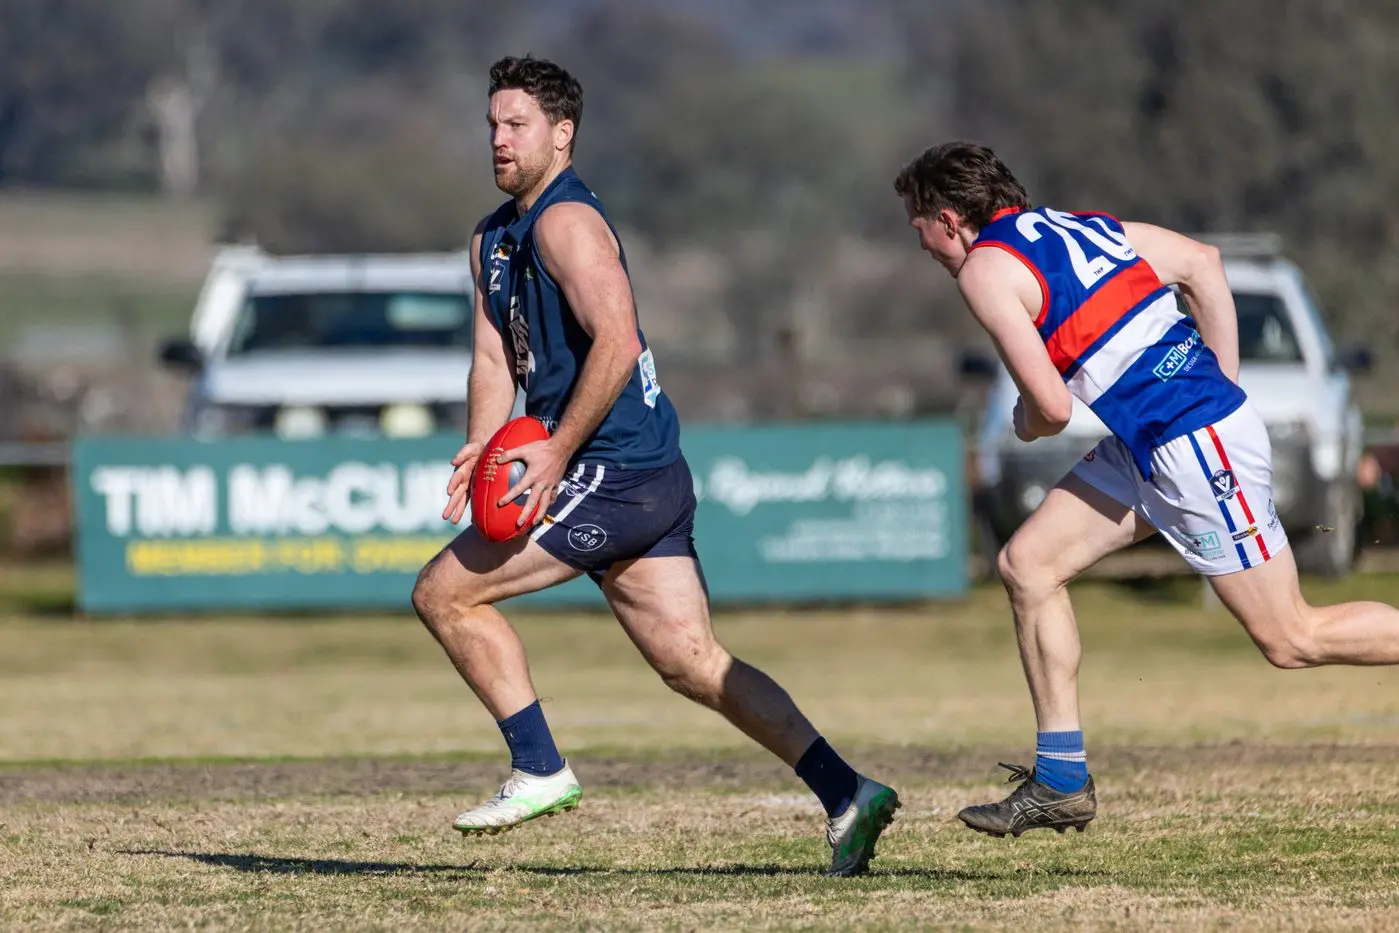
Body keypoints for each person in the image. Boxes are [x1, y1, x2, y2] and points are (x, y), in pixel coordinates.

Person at [411, 56, 899, 876]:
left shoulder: (568, 223)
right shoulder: (489, 240)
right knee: (693, 661)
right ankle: (849, 791)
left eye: (516, 124)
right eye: (492, 124)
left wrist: (558, 450)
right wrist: (481, 444)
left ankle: (538, 766)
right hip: (635, 473)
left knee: (444, 592)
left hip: (616, 469)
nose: (498, 139)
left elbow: (620, 339)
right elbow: (495, 358)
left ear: (561, 135)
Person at [894, 141, 1399, 838]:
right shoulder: (1079, 226)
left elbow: (1049, 408)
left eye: (917, 225)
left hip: (1190, 441)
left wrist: (1026, 419)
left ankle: (1062, 778)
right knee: (1027, 565)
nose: (919, 242)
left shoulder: (984, 269)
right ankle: (1061, 780)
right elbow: (1202, 263)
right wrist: (1223, 384)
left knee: (1291, 637)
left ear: (948, 218)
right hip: (1159, 439)